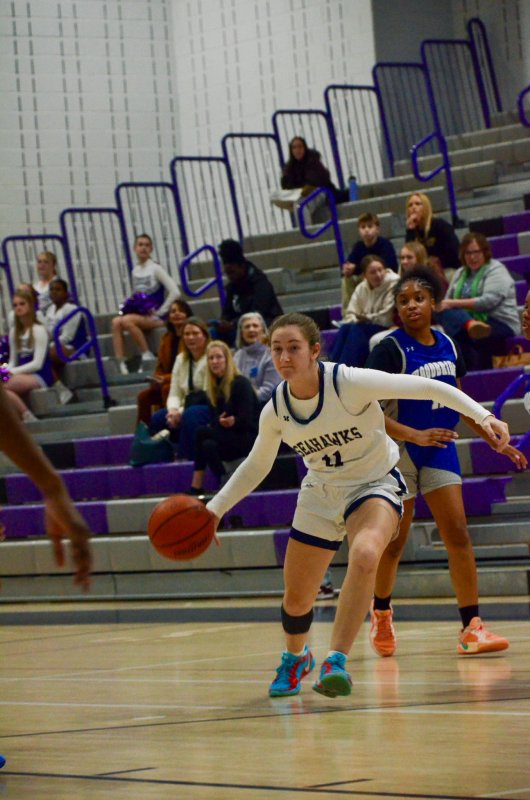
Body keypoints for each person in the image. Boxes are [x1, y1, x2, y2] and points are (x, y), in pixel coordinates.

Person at [204, 312, 510, 698]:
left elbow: (429, 387)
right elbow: (256, 465)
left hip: (374, 483)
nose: (284, 357)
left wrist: (485, 416)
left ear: (314, 350)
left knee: (366, 553)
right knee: (297, 597)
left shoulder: (348, 381)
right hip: (320, 492)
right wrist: (214, 510)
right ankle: (296, 657)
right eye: (277, 349)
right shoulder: (276, 408)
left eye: (293, 348)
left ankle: (337, 660)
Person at [365, 268, 524, 657]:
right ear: (396, 309)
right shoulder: (388, 349)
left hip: (441, 447)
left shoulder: (450, 346)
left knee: (457, 533)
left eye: (419, 298)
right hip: (397, 451)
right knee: (394, 542)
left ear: (434, 302)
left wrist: (493, 438)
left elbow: (460, 401)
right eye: (403, 301)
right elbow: (365, 411)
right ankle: (382, 611)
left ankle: (471, 626)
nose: (411, 305)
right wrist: (413, 435)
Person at [438, 232, 520, 371]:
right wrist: (447, 305)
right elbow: (447, 301)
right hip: (470, 321)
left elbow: (487, 302)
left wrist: (453, 303)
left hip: (499, 321)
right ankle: (470, 325)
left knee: (473, 336)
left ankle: (474, 377)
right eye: (468, 253)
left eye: (476, 252)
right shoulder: (460, 273)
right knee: (441, 311)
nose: (472, 257)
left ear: (485, 252)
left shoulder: (496, 269)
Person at [188, 341, 259, 494]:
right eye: (211, 358)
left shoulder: (241, 383)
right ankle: (226, 479)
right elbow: (215, 420)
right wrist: (220, 422)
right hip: (228, 436)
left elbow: (248, 421)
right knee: (207, 445)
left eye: (219, 357)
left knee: (201, 432)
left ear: (227, 360)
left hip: (249, 436)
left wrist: (233, 421)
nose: (215, 361)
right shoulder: (213, 389)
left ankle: (196, 486)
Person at [111, 233, 180, 375]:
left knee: (126, 320)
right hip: (141, 315)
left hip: (156, 317)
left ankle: (146, 354)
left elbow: (175, 291)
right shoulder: (134, 270)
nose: (143, 248)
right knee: (116, 321)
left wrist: (161, 311)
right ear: (134, 248)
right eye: (140, 245)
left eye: (147, 245)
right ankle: (121, 363)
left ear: (151, 249)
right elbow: (136, 294)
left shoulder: (156, 268)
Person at [148, 316, 211, 460]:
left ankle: (186, 460)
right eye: (187, 334)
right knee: (158, 418)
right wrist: (172, 411)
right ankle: (161, 462)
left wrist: (180, 413)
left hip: (207, 404)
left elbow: (207, 393)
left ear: (205, 335)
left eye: (195, 333)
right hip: (185, 406)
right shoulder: (181, 359)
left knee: (190, 416)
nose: (191, 338)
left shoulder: (212, 356)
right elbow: (175, 391)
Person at [329, 255, 399, 367]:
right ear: (365, 276)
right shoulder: (361, 287)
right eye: (373, 272)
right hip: (365, 325)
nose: (378, 275)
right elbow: (350, 312)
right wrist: (356, 319)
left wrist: (367, 318)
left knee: (356, 330)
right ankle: (332, 367)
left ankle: (347, 369)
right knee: (345, 328)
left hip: (385, 325)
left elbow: (387, 315)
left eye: (380, 270)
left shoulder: (394, 283)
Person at [213, 239, 283, 346]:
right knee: (213, 333)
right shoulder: (232, 286)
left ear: (242, 266)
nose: (229, 276)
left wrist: (233, 324)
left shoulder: (261, 283)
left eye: (232, 272)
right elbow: (227, 312)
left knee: (242, 331)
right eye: (227, 273)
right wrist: (223, 322)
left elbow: (259, 313)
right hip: (239, 327)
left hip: (265, 324)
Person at [136, 299, 193, 426]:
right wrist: (156, 379)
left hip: (182, 382)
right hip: (166, 380)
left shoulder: (191, 338)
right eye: (173, 311)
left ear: (188, 315)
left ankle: (169, 426)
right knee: (144, 396)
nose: (176, 314)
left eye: (181, 311)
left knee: (167, 388)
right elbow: (160, 366)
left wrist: (165, 379)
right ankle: (143, 433)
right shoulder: (166, 339)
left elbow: (186, 369)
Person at [5, 289, 53, 423]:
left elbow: (37, 364)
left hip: (40, 375)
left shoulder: (39, 330)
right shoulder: (14, 331)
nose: (18, 308)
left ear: (31, 306)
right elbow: (13, 361)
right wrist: (4, 371)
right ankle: (22, 416)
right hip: (21, 373)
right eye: (15, 305)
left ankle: (27, 416)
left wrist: (10, 372)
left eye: (22, 304)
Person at [275, 136, 345, 224]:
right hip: (302, 196)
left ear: (305, 148)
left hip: (321, 192)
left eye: (300, 146)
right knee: (297, 203)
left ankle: (306, 234)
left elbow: (314, 182)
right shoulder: (290, 167)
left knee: (300, 205)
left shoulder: (313, 161)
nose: (297, 150)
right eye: (294, 147)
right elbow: (286, 185)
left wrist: (300, 192)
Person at [340, 212, 398, 313]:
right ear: (359, 230)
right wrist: (348, 270)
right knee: (347, 279)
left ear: (377, 229)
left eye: (370, 226)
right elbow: (351, 264)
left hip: (383, 279)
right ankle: (348, 314)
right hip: (366, 279)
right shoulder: (358, 247)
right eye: (363, 227)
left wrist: (362, 270)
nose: (366, 230)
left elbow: (390, 266)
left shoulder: (385, 244)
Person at [45, 278, 88, 405]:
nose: (54, 292)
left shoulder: (72, 308)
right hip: (57, 346)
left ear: (66, 293)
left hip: (76, 348)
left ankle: (61, 390)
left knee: (46, 354)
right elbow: (48, 333)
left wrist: (49, 345)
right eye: (52, 289)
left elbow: (67, 337)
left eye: (58, 289)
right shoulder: (49, 310)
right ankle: (60, 388)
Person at [405, 192, 459, 276]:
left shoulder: (440, 225)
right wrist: (410, 230)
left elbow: (454, 253)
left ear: (426, 207)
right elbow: (409, 255)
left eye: (418, 204)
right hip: (424, 272)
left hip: (446, 269)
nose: (413, 207)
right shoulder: (412, 231)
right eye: (410, 205)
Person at [233, 312, 280, 406]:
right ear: (241, 333)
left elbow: (269, 391)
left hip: (266, 406)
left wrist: (243, 399)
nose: (251, 329)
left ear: (263, 330)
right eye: (247, 327)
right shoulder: (237, 356)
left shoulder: (271, 355)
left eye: (255, 326)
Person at [33, 251, 58, 316]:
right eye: (39, 262)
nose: (42, 265)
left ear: (53, 265)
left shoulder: (59, 285)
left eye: (46, 262)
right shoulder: (35, 286)